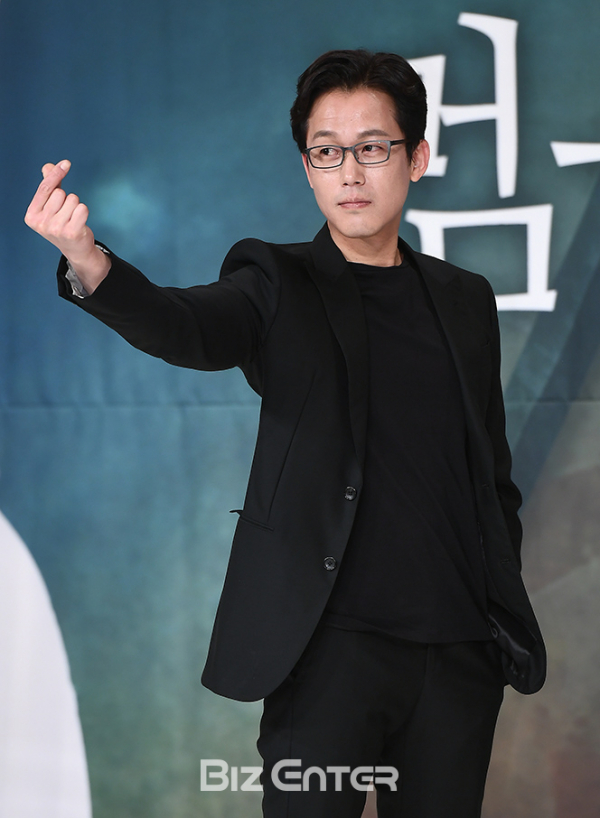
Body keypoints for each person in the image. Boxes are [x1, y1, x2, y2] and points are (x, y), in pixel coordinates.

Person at [25, 49, 545, 818]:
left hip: (458, 657)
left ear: (417, 157)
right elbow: (185, 324)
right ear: (308, 168)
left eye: (373, 148)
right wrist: (89, 262)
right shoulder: (276, 281)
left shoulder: (464, 298)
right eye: (327, 152)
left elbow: (489, 475)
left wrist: (493, 618)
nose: (350, 173)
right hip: (328, 649)